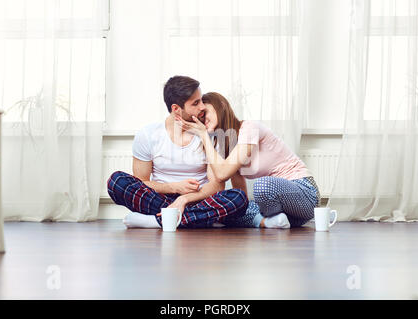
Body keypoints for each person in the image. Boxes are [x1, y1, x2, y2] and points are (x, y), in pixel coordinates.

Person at [107, 76, 248, 228]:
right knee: (116, 181)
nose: (203, 107)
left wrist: (184, 199)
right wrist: (174, 187)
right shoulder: (148, 134)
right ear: (176, 109)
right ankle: (191, 218)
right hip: (159, 199)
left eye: (201, 100)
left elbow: (217, 185)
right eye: (196, 103)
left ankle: (158, 220)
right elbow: (142, 183)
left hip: (199, 199)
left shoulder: (210, 132)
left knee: (238, 198)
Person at [177, 92, 321, 228]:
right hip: (287, 214)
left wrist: (203, 135)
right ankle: (270, 222)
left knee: (262, 186)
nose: (203, 120)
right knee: (231, 208)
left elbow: (222, 173)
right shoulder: (227, 146)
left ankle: (261, 219)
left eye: (205, 113)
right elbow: (240, 194)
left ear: (220, 105)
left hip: (304, 194)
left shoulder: (249, 127)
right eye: (200, 119)